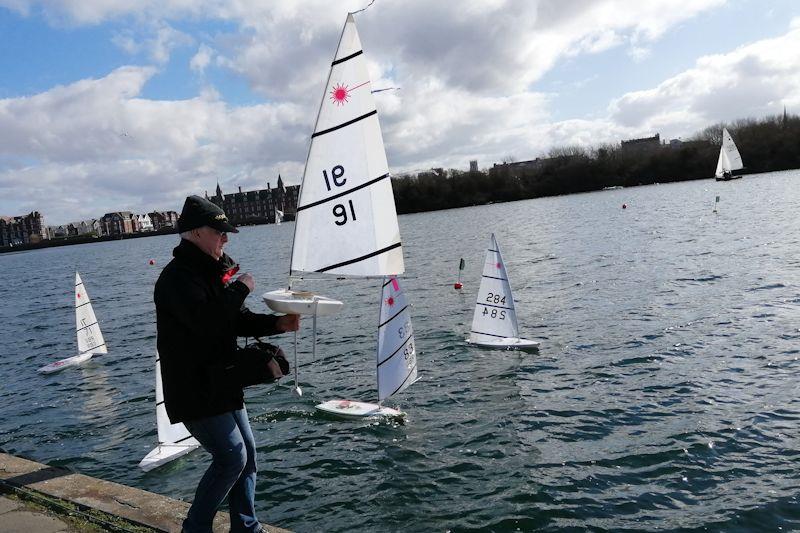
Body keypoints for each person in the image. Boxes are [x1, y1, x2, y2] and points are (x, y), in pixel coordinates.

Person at [154, 195, 299, 533]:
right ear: (195, 232)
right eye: (219, 232)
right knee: (232, 457)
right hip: (194, 389)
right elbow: (208, 322)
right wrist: (241, 288)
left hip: (222, 381)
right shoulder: (175, 279)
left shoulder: (209, 270)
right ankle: (195, 528)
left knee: (246, 455)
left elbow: (235, 320)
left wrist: (277, 324)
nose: (226, 238)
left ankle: (246, 528)